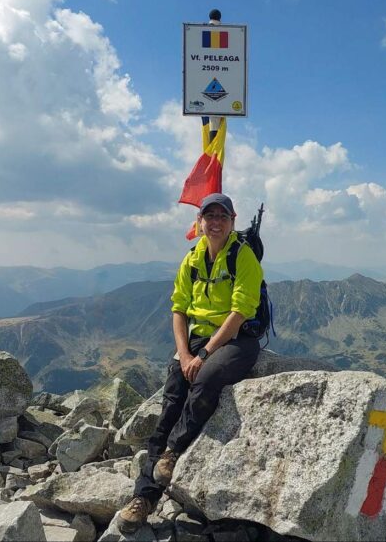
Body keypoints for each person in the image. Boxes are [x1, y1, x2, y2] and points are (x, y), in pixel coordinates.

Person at [117, 193, 264, 533]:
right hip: (198, 340)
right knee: (172, 397)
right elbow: (179, 308)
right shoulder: (193, 258)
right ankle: (144, 497)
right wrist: (183, 355)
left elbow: (240, 312)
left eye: (222, 216)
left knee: (207, 378)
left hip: (239, 339)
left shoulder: (242, 257)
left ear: (233, 221)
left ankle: (173, 451)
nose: (215, 222)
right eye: (209, 216)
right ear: (200, 222)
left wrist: (203, 355)